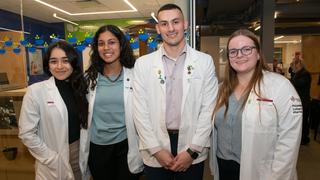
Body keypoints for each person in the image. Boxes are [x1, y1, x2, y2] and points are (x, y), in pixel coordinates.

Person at [133, 3, 218, 180]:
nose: (170, 28)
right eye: (164, 23)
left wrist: (193, 151)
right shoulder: (143, 64)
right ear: (158, 28)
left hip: (191, 143)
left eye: (175, 22)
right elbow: (139, 111)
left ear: (185, 24)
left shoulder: (204, 62)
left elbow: (209, 110)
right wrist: (156, 150)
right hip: (154, 143)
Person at [210, 29, 302, 180]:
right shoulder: (221, 89)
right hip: (224, 165)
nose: (239, 55)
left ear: (258, 54)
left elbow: (289, 140)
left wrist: (278, 176)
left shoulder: (280, 86)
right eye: (233, 51)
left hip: (262, 171)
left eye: (246, 49)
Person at [79, 25, 143, 180]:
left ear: (121, 44)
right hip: (97, 147)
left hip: (127, 144)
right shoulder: (89, 79)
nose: (106, 48)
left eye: (112, 42)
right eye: (101, 43)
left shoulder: (136, 75)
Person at [19, 40, 88, 180]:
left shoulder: (81, 88)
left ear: (73, 63)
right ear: (48, 65)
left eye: (65, 60)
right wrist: (51, 158)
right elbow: (26, 133)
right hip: (52, 156)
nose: (60, 66)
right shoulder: (36, 91)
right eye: (54, 61)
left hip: (79, 153)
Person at [290, 59, 311, 145]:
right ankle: (302, 138)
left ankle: (304, 139)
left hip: (304, 101)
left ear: (299, 64)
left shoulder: (305, 74)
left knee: (303, 122)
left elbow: (298, 83)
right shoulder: (300, 73)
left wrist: (290, 81)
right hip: (300, 101)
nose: (294, 66)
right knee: (301, 121)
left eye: (295, 65)